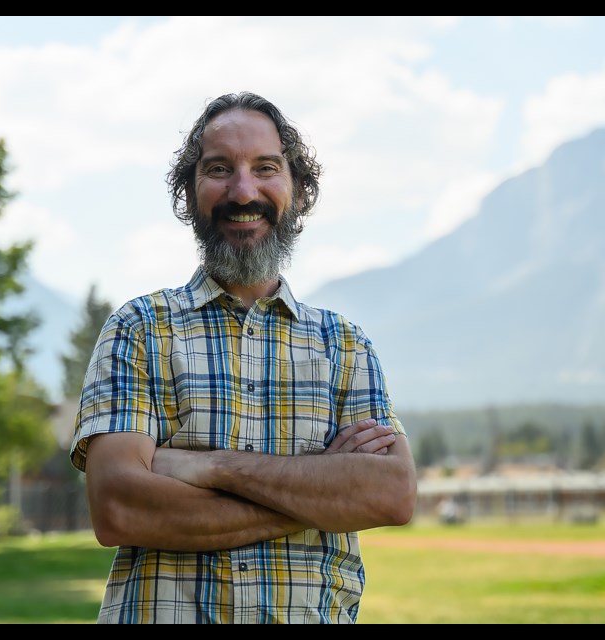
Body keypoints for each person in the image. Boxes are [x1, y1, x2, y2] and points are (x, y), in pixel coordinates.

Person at [70, 91, 417, 624]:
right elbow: (119, 507)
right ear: (190, 192)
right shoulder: (137, 329)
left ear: (297, 189)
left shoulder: (345, 345)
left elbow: (391, 496)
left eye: (266, 168)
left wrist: (207, 467)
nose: (243, 190)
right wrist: (320, 492)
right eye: (219, 169)